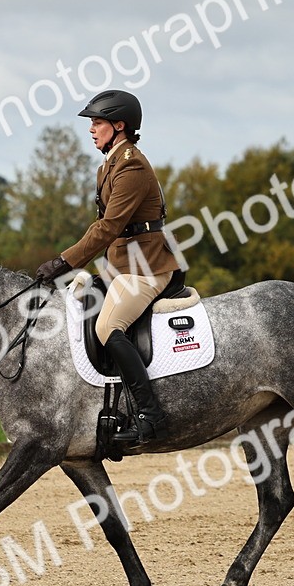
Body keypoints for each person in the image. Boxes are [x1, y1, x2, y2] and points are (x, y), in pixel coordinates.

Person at [35, 90, 180, 444]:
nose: (92, 129)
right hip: (122, 266)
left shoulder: (131, 165)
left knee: (108, 327)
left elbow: (108, 227)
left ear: (119, 125)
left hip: (146, 269)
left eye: (97, 122)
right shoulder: (110, 163)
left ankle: (150, 415)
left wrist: (64, 261)